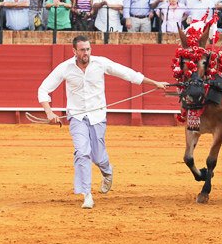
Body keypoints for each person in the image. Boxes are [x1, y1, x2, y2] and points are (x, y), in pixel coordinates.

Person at [37, 35, 169, 209]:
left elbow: (128, 73)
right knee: (82, 152)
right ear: (74, 51)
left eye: (88, 49)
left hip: (98, 116)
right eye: (82, 50)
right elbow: (44, 89)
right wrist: (49, 112)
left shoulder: (100, 63)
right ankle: (87, 195)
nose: (86, 53)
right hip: (76, 117)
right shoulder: (65, 67)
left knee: (98, 156)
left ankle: (107, 171)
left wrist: (154, 83)